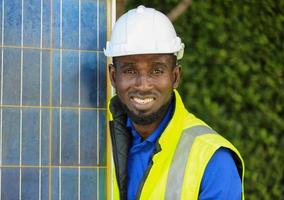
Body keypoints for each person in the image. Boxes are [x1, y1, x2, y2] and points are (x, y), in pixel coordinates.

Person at [104, 5, 244, 200]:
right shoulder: (94, 143)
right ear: (113, 76)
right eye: (130, 70)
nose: (143, 85)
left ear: (175, 76)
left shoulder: (213, 161)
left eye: (156, 71)